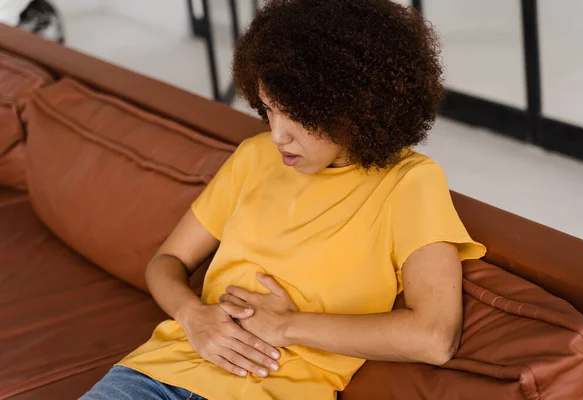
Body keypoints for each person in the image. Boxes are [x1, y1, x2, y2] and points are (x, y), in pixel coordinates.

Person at [82, 0, 486, 399]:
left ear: (356, 108)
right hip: (152, 376)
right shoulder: (254, 156)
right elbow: (166, 262)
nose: (277, 135)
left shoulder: (410, 182)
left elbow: (434, 337)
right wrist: (194, 317)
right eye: (270, 109)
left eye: (297, 116)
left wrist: (287, 326)